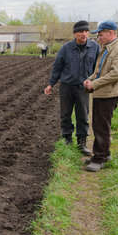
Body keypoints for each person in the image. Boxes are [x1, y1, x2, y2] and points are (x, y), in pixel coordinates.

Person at [44, 20, 100, 155]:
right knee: (65, 114)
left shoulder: (94, 47)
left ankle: (82, 143)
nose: (84, 34)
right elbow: (57, 67)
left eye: (86, 31)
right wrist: (51, 84)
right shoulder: (66, 48)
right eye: (80, 31)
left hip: (83, 87)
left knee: (83, 115)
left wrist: (94, 81)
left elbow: (97, 68)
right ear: (75, 34)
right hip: (67, 86)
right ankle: (67, 139)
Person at [83, 20, 118, 172]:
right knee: (99, 124)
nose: (99, 37)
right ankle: (105, 153)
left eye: (101, 34)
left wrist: (95, 84)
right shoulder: (106, 49)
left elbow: (116, 73)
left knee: (101, 126)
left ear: (111, 33)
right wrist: (90, 79)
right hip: (101, 92)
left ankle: (99, 158)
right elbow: (99, 71)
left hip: (109, 93)